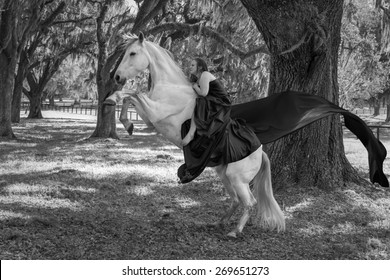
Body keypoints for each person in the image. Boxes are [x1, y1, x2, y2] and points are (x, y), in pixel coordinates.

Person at [178, 58, 261, 184]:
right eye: (190, 64)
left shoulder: (205, 75)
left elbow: (204, 93)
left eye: (192, 65)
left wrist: (195, 86)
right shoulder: (199, 77)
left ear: (200, 67)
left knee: (200, 101)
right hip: (214, 102)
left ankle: (191, 133)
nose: (190, 66)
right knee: (199, 102)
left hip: (221, 103)